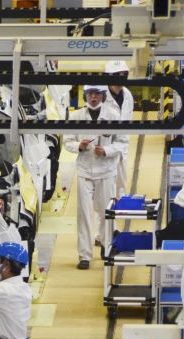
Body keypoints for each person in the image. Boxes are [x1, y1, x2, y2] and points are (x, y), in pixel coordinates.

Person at [67, 84, 122, 270]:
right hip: (84, 171)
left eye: (97, 94)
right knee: (84, 214)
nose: (93, 97)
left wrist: (106, 150)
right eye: (90, 94)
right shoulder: (76, 117)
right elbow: (67, 141)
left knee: (106, 212)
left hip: (106, 171)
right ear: (85, 96)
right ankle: (85, 255)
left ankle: (107, 247)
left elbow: (122, 143)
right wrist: (79, 147)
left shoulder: (113, 116)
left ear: (103, 96)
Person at [106, 60, 135, 198]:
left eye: (124, 74)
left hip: (122, 148)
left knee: (121, 187)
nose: (121, 77)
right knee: (105, 192)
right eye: (118, 74)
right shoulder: (100, 96)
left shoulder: (128, 95)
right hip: (104, 150)